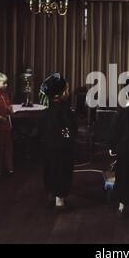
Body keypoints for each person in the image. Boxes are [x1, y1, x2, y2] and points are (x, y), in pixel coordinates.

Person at [39, 73, 77, 208]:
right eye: (66, 89)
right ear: (61, 93)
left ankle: (51, 193)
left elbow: (43, 130)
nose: (68, 92)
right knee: (62, 171)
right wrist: (68, 139)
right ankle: (60, 198)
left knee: (50, 169)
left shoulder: (47, 110)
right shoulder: (65, 109)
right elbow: (69, 128)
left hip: (49, 145)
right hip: (62, 147)